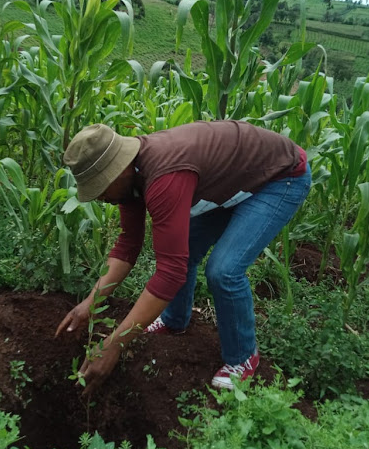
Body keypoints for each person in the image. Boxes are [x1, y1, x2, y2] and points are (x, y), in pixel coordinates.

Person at [55, 120, 311, 394]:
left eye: (101, 187)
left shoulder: (164, 177)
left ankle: (242, 357)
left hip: (279, 178)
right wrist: (90, 303)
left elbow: (170, 273)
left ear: (118, 171)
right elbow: (128, 245)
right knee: (182, 246)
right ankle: (174, 320)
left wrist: (116, 343)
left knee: (224, 270)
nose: (101, 197)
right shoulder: (130, 179)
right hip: (228, 182)